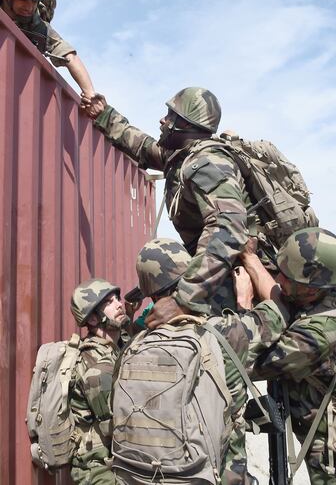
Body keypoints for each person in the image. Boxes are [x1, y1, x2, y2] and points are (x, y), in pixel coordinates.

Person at [117, 237, 291, 485]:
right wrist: (244, 301)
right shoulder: (223, 334)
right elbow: (280, 308)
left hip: (146, 476)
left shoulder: (133, 346)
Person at [83, 86, 258, 320]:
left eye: (169, 115)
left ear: (185, 124)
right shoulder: (181, 157)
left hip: (232, 277)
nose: (162, 120)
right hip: (214, 273)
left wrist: (184, 299)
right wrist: (104, 114)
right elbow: (142, 146)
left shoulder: (207, 162)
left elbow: (227, 227)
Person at [240, 227, 336, 485]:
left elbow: (245, 364)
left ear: (312, 289)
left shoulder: (319, 336)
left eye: (288, 278)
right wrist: (250, 259)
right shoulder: (330, 296)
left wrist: (244, 307)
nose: (280, 281)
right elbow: (280, 293)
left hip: (333, 451)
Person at [0, 0, 94, 99]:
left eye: (34, 1)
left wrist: (90, 93)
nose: (30, 7)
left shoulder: (38, 25)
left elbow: (69, 56)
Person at [69, 278, 128, 485]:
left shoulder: (116, 348)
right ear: (93, 319)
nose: (119, 304)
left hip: (115, 462)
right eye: (109, 302)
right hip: (97, 470)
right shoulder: (94, 365)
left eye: (117, 298)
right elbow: (116, 427)